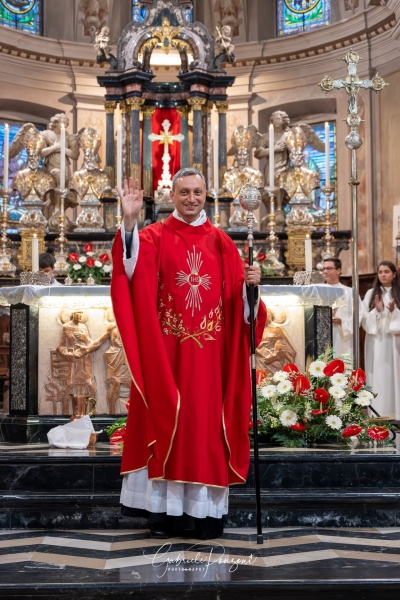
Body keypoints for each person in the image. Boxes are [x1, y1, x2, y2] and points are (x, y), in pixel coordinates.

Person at [111, 168, 267, 540]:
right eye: (184, 192)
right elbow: (129, 273)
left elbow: (244, 314)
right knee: (167, 422)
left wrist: (252, 290)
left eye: (198, 192)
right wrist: (129, 222)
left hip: (211, 359)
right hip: (164, 354)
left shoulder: (224, 244)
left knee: (205, 430)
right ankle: (164, 515)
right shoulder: (153, 237)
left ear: (206, 195)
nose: (191, 198)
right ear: (173, 195)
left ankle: (204, 516)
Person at [361, 261, 400, 419]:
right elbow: (364, 319)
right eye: (380, 272)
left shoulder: (398, 292)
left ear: (394, 274)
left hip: (394, 341)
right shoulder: (371, 293)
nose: (383, 274)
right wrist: (376, 312)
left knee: (394, 373)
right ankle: (377, 413)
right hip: (376, 341)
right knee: (377, 373)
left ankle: (396, 412)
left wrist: (394, 311)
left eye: (386, 271)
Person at [322, 257, 354, 358]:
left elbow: (358, 316)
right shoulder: (318, 292)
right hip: (323, 335)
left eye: (329, 268)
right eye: (324, 269)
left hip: (342, 336)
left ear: (338, 270)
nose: (325, 272)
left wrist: (343, 322)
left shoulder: (349, 292)